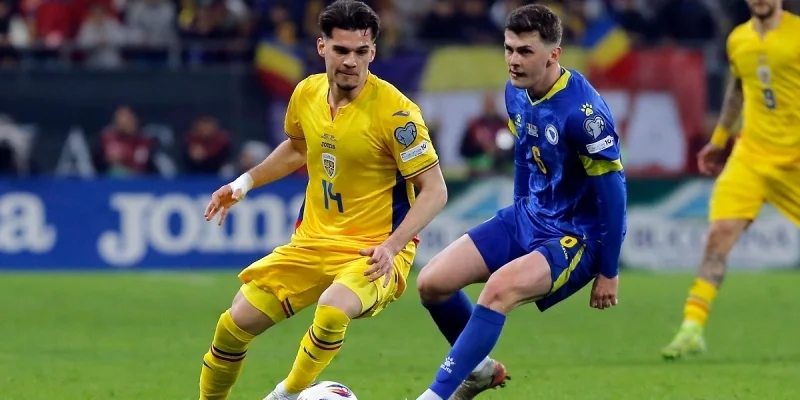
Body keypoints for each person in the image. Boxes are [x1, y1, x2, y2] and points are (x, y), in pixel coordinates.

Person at [197, 1, 448, 399]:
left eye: (361, 51)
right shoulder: (307, 93)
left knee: (332, 309)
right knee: (232, 325)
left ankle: (287, 394)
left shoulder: (398, 114)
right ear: (321, 47)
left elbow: (435, 190)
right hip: (312, 242)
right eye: (341, 50)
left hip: (373, 250)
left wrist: (392, 246)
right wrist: (243, 183)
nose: (351, 61)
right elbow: (298, 149)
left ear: (373, 52)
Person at [414, 4, 627, 400]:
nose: (514, 60)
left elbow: (614, 194)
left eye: (525, 51)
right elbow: (524, 156)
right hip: (529, 216)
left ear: (553, 54)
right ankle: (478, 370)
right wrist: (519, 210)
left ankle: (435, 396)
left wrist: (609, 270)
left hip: (576, 236)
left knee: (498, 291)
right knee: (432, 283)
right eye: (509, 49)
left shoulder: (583, 115)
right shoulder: (515, 92)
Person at [661, 0, 800, 360]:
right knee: (719, 235)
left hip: (795, 161)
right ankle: (691, 329)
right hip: (750, 156)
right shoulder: (738, 39)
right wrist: (719, 139)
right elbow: (738, 89)